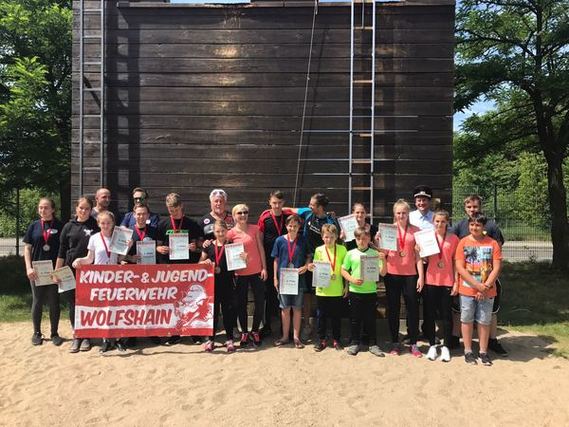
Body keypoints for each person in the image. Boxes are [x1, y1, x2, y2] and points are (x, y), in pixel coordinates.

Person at [450, 194, 508, 356]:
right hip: (466, 279)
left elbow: (498, 249)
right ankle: (456, 337)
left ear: (480, 207)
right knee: (459, 310)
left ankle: (492, 340)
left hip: (487, 277)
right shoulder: (460, 225)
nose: (472, 210)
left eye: (475, 207)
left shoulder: (491, 227)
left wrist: (487, 282)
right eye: (469, 207)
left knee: (490, 312)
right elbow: (449, 242)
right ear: (465, 208)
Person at [287, 193, 340, 339]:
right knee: (307, 294)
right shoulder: (307, 213)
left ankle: (325, 327)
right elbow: (290, 210)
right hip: (308, 260)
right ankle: (307, 326)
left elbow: (339, 238)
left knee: (325, 294)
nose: (309, 206)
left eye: (312, 204)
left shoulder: (331, 220)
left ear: (320, 207)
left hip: (325, 262)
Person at [72, 211, 125, 353]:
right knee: (103, 310)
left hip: (115, 278)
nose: (106, 225)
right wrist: (79, 261)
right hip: (100, 279)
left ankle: (118, 340)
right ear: (98, 224)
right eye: (103, 223)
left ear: (113, 223)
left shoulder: (118, 237)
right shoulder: (94, 238)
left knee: (116, 309)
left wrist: (128, 247)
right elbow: (90, 259)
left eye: (108, 223)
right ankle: (105, 340)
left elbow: (119, 259)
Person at [156, 193, 204, 345]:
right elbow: (156, 244)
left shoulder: (192, 224)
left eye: (175, 209)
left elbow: (200, 245)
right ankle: (175, 333)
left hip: (188, 268)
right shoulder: (163, 224)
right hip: (170, 268)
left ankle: (194, 333)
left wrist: (194, 247)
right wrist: (159, 248)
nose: (173, 212)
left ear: (181, 206)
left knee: (190, 300)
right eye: (170, 209)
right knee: (173, 301)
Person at [455, 213, 502, 366]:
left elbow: (496, 267)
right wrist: (477, 286)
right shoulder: (463, 242)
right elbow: (460, 268)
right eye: (472, 225)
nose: (474, 228)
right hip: (468, 289)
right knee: (466, 319)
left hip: (487, 290)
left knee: (484, 320)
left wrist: (485, 286)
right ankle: (468, 350)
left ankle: (483, 351)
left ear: (483, 227)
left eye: (478, 225)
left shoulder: (492, 243)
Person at [379, 199, 424, 357]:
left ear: (408, 213)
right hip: (392, 274)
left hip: (411, 274)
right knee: (393, 308)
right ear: (394, 214)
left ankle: (413, 343)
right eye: (398, 213)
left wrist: (421, 277)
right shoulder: (388, 230)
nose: (401, 215)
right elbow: (382, 254)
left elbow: (418, 256)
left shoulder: (416, 231)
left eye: (404, 212)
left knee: (412, 308)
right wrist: (379, 241)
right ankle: (395, 342)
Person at [55, 196, 99, 353]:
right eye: (81, 208)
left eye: (87, 208)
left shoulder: (95, 225)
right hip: (69, 270)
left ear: (91, 210)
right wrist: (57, 271)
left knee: (87, 303)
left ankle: (86, 335)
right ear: (76, 208)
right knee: (73, 304)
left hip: (89, 272)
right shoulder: (68, 226)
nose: (84, 211)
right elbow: (61, 251)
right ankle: (77, 335)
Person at [23, 197, 64, 346]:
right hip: (37, 270)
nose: (43, 210)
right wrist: (28, 267)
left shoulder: (60, 226)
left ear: (53, 209)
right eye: (40, 207)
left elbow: (63, 249)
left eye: (46, 207)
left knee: (54, 302)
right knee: (37, 301)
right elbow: (27, 248)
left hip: (54, 270)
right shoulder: (33, 226)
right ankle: (37, 333)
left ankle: (54, 333)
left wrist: (59, 269)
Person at [227, 203, 268, 348]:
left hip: (257, 271)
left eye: (245, 212)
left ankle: (255, 330)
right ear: (234, 216)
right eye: (239, 213)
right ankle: (244, 331)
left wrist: (264, 268)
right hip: (240, 273)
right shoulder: (230, 233)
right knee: (241, 304)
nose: (243, 215)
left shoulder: (255, 229)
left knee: (259, 302)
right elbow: (225, 251)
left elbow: (261, 248)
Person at [341, 226, 387, 356]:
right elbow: (343, 270)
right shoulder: (350, 253)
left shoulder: (374, 254)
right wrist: (352, 280)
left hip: (370, 291)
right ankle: (355, 343)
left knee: (370, 319)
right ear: (355, 239)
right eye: (359, 238)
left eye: (365, 238)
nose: (362, 241)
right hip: (355, 291)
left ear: (369, 239)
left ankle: (373, 344)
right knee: (355, 319)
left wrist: (383, 260)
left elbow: (383, 272)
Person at [422, 210, 459, 362]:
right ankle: (432, 345)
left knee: (446, 316)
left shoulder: (454, 239)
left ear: (447, 223)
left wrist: (456, 281)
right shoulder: (426, 238)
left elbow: (457, 262)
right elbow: (423, 259)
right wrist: (420, 252)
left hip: (447, 281)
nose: (439, 224)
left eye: (443, 221)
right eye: (437, 221)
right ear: (433, 222)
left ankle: (446, 347)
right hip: (430, 280)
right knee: (429, 315)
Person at [271, 215, 310, 349]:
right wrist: (275, 278)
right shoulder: (279, 240)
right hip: (283, 279)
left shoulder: (303, 240)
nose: (292, 228)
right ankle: (285, 336)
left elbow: (309, 256)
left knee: (297, 308)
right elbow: (275, 259)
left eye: (295, 226)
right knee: (285, 308)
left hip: (298, 279)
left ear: (299, 227)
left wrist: (305, 266)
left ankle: (296, 337)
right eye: (290, 225)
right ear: (286, 226)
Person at [199, 220, 237, 353]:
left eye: (223, 231)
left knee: (228, 312)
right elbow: (200, 263)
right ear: (213, 232)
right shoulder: (208, 246)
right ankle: (211, 339)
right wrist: (205, 262)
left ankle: (230, 338)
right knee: (212, 313)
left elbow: (238, 265)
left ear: (227, 231)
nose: (220, 234)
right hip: (212, 285)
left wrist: (244, 258)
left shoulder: (232, 246)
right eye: (217, 231)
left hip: (227, 283)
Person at [257, 190, 291, 337]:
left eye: (279, 203)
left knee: (287, 293)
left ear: (283, 203)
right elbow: (259, 240)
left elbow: (303, 212)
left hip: (286, 261)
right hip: (270, 262)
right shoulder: (264, 218)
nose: (277, 206)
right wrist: (263, 265)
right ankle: (267, 326)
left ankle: (286, 328)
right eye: (274, 203)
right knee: (269, 293)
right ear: (269, 202)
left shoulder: (288, 216)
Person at [309, 224, 347, 351]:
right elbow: (316, 267)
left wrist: (346, 286)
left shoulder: (342, 249)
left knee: (336, 316)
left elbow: (346, 269)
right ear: (322, 237)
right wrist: (311, 268)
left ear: (336, 237)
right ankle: (322, 340)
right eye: (326, 237)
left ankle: (337, 340)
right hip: (322, 290)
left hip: (337, 289)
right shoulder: (319, 250)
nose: (328, 240)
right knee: (321, 317)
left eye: (331, 237)